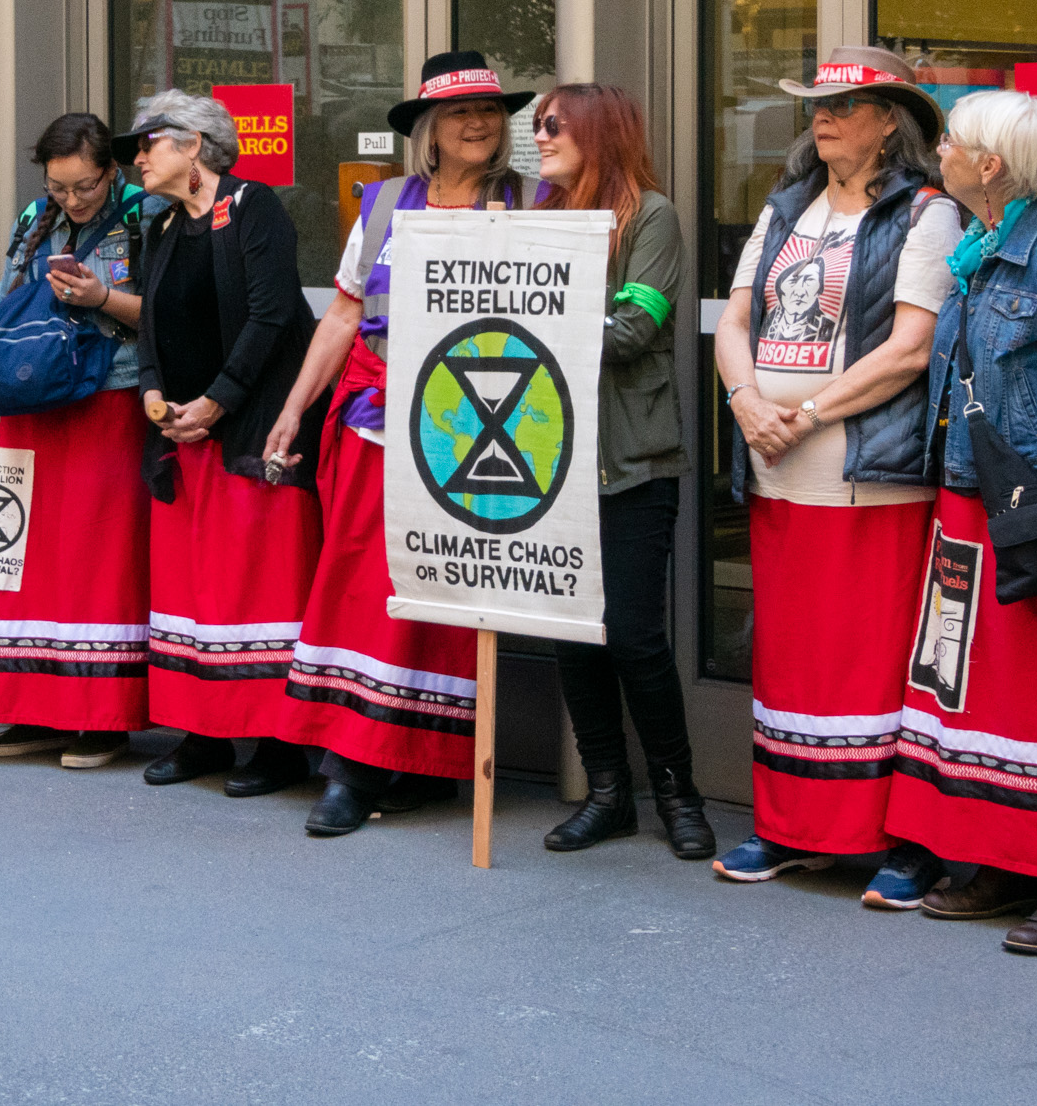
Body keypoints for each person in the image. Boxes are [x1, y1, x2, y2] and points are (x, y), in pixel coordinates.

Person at [709, 46, 961, 909]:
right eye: (817, 103)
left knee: (876, 658)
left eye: (844, 105)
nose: (823, 116)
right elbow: (733, 321)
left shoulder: (927, 213)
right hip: (777, 472)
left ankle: (905, 842)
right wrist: (747, 400)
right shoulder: (786, 207)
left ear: (890, 121)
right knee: (793, 658)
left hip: (871, 479)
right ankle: (791, 826)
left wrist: (806, 414)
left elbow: (912, 348)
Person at [889, 88, 1037, 956]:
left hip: (1032, 501)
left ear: (989, 166)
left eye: (951, 143)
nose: (940, 154)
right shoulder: (977, 246)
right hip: (967, 490)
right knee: (973, 683)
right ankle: (1002, 858)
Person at [264, 52, 532, 838]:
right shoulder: (382, 204)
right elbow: (343, 314)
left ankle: (418, 760)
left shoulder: (532, 203)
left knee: (445, 600)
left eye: (489, 110)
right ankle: (350, 763)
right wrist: (293, 408)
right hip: (375, 423)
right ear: (429, 131)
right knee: (360, 589)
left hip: (473, 432)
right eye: (459, 113)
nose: (478, 123)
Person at [121, 90, 327, 797]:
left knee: (260, 586)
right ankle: (202, 732)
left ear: (194, 145)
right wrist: (153, 394)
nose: (139, 157)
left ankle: (277, 745)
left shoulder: (254, 205)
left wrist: (218, 399)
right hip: (184, 436)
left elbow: (271, 314)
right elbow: (152, 326)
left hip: (251, 428)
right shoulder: (161, 224)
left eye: (150, 140)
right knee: (193, 591)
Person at [528, 84, 713, 861]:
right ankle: (608, 795)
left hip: (634, 463)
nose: (539, 136)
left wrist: (534, 316)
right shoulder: (538, 218)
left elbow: (634, 329)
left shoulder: (651, 217)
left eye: (553, 124)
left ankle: (678, 794)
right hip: (554, 464)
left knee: (634, 636)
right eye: (536, 124)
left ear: (598, 133)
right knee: (574, 637)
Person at [0, 113, 165, 768]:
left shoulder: (145, 213)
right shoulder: (32, 218)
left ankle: (100, 717)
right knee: (17, 562)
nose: (71, 199)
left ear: (112, 170)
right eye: (58, 187)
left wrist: (101, 296)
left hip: (108, 399)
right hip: (27, 404)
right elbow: (3, 308)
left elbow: (166, 313)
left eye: (84, 186)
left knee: (98, 561)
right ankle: (29, 707)